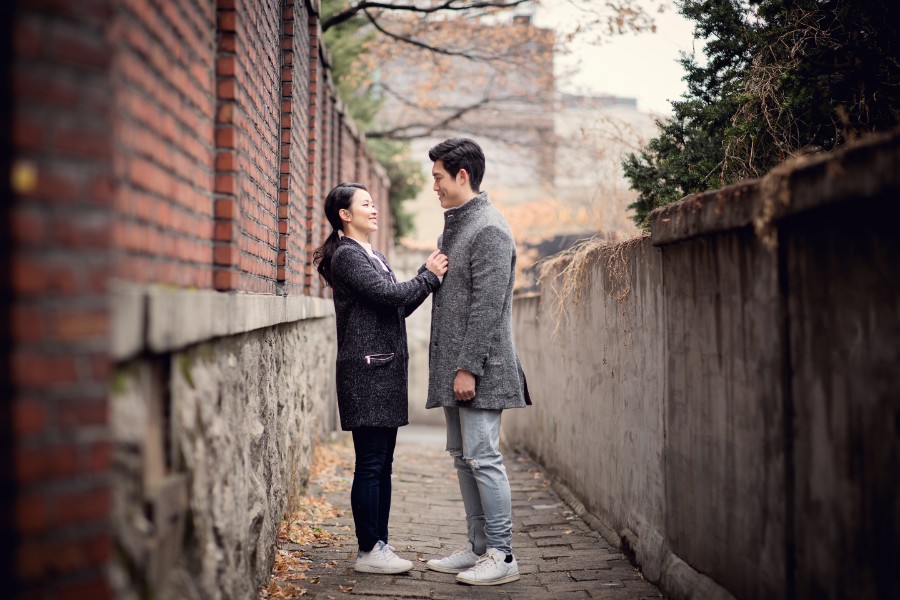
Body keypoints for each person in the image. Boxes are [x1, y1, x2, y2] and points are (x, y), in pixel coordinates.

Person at [313, 182, 448, 575]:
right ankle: (368, 549)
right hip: (366, 372)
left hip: (382, 369)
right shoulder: (348, 258)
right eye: (366, 204)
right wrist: (429, 275)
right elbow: (391, 296)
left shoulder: (373, 254)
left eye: (374, 204)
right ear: (345, 214)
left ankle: (379, 545)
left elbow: (397, 306)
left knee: (381, 462)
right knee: (371, 463)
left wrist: (425, 280)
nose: (374, 209)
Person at [423, 138, 531, 586]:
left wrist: (468, 367)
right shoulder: (455, 227)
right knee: (463, 457)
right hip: (457, 370)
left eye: (438, 178)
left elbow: (488, 308)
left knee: (483, 457)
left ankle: (502, 556)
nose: (435, 187)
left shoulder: (488, 227)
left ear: (461, 175)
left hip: (480, 370)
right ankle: (478, 548)